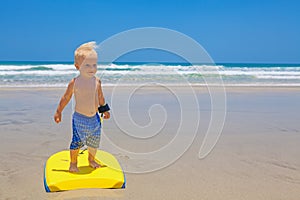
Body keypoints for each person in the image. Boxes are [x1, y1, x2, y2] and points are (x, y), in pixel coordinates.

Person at [54, 41, 110, 173]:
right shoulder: (75, 83)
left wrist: (105, 110)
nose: (92, 68)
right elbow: (66, 97)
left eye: (94, 65)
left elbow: (100, 97)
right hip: (80, 118)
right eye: (87, 65)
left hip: (95, 118)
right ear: (77, 66)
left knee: (94, 142)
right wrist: (59, 111)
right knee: (76, 142)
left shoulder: (97, 82)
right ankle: (73, 163)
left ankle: (91, 159)